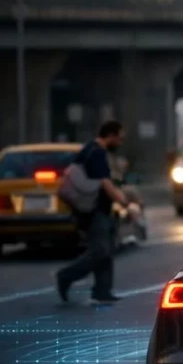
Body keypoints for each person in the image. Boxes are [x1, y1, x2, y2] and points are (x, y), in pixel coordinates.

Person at [56, 120, 131, 304]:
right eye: (119, 139)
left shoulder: (90, 149)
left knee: (107, 249)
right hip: (94, 210)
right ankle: (65, 276)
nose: (120, 143)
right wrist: (123, 202)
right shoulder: (97, 152)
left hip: (99, 209)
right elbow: (105, 183)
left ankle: (102, 291)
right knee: (101, 251)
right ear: (111, 136)